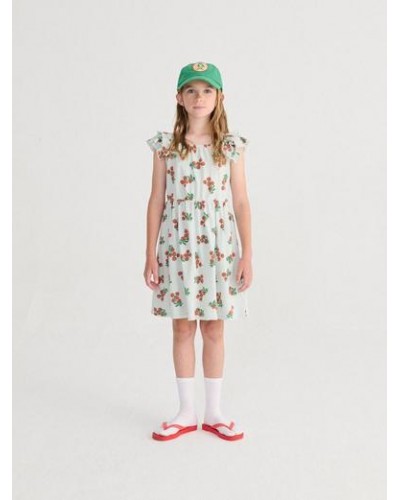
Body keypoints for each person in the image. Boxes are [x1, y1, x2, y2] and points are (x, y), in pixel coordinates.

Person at [144, 61, 253, 441]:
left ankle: (214, 411)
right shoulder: (166, 147)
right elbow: (156, 200)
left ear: (220, 97)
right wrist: (150, 253)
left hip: (219, 250)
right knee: (181, 326)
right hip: (177, 249)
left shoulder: (230, 147)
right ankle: (186, 411)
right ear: (179, 97)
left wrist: (247, 254)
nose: (199, 97)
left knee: (214, 328)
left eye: (207, 90)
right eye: (191, 90)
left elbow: (241, 202)